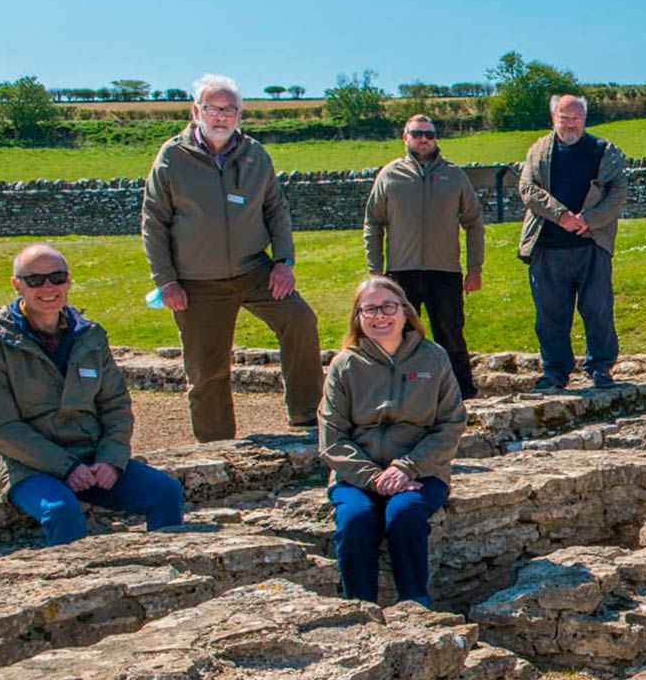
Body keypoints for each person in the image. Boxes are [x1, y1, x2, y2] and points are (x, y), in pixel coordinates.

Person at [0, 244, 186, 546]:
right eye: (35, 280)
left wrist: (110, 460)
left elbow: (116, 406)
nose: (48, 287)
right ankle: (71, 590)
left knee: (165, 491)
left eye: (57, 278)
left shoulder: (90, 335)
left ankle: (166, 576)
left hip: (91, 457)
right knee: (61, 510)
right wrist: (66, 467)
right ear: (17, 285)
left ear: (68, 280)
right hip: (25, 465)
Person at [143, 73, 321, 442]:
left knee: (300, 320)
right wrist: (166, 280)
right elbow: (154, 222)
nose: (221, 116)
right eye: (213, 108)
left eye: (230, 109)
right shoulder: (172, 157)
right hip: (197, 280)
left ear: (240, 114)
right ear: (196, 111)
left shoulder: (255, 155)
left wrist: (283, 262)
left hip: (253, 269)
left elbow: (277, 210)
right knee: (207, 368)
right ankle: (218, 446)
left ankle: (307, 419)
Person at [318, 276, 467, 607]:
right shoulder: (344, 364)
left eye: (388, 306)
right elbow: (332, 437)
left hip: (422, 472)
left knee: (404, 515)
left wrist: (408, 467)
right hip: (357, 476)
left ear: (405, 311)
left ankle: (416, 605)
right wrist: (374, 478)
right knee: (355, 521)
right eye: (369, 309)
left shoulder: (433, 357)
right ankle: (361, 609)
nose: (379, 316)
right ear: (358, 317)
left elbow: (451, 423)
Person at [364, 114, 485, 399]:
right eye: (417, 133)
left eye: (430, 134)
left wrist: (474, 268)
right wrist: (375, 271)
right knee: (400, 336)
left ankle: (462, 394)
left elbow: (474, 222)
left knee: (451, 335)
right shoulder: (390, 175)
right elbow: (373, 222)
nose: (424, 140)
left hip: (444, 271)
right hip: (401, 271)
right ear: (405, 137)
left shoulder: (454, 175)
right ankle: (400, 395)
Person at [516, 94, 628, 390]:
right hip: (548, 246)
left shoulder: (604, 151)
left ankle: (601, 367)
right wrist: (561, 215)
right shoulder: (538, 151)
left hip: (592, 244)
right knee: (550, 315)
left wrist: (588, 219)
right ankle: (555, 370)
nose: (570, 124)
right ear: (554, 118)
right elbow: (527, 189)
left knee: (598, 309)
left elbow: (617, 194)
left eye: (576, 119)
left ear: (585, 120)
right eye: (564, 118)